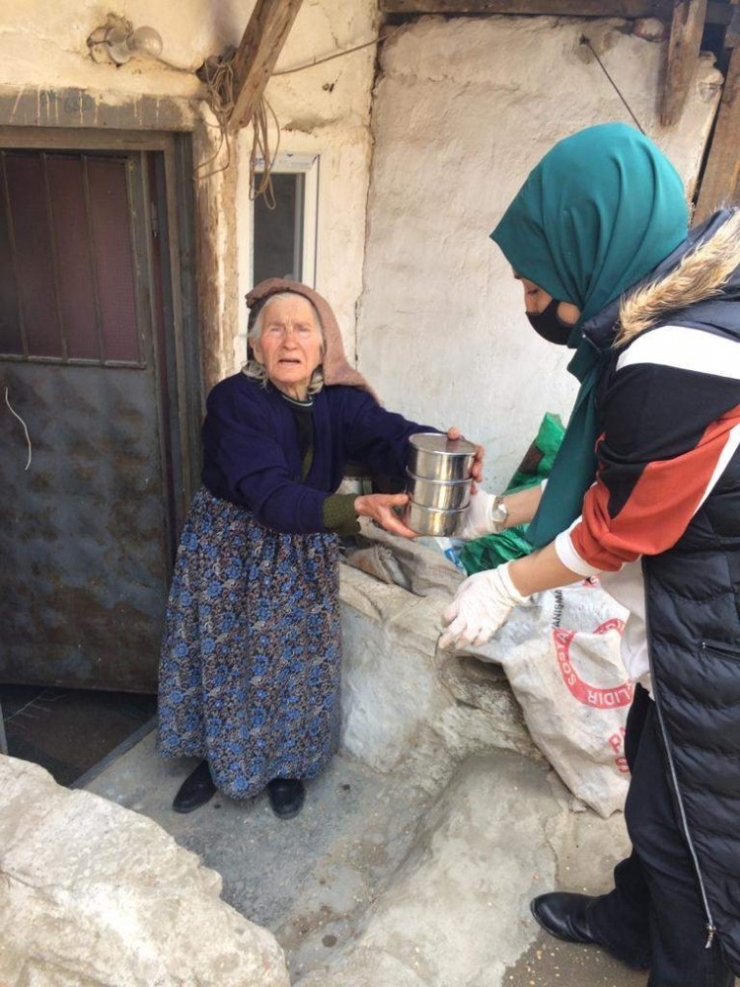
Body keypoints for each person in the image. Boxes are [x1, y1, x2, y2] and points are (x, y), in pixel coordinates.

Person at [445, 123, 740, 987]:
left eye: (537, 283)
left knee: (696, 838)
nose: (530, 301)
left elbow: (621, 526)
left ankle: (688, 963)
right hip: (692, 625)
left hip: (719, 633)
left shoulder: (674, 358)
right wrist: (499, 510)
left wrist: (505, 582)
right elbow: (623, 473)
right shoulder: (674, 313)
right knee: (658, 786)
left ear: (593, 251)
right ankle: (632, 918)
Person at [158, 277, 480, 820]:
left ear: (324, 345)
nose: (290, 341)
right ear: (255, 345)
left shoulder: (336, 401)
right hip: (232, 548)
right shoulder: (234, 401)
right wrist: (357, 508)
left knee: (297, 658)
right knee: (225, 653)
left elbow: (388, 434)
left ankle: (287, 766)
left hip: (301, 545)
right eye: (275, 329)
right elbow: (270, 497)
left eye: (303, 329)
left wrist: (448, 451)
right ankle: (216, 758)